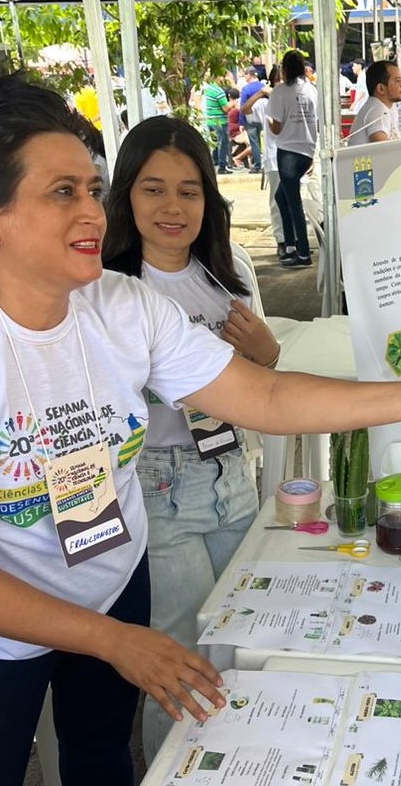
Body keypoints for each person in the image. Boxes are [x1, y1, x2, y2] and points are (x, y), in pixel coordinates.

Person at [0, 74, 401, 785]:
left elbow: (261, 395)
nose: (92, 210)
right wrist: (114, 641)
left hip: (107, 577)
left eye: (90, 186)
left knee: (99, 759)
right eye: (62, 193)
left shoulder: (122, 305)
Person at [103, 115, 280, 762]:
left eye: (189, 190)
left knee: (239, 635)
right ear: (125, 195)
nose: (172, 206)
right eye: (153, 188)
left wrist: (267, 350)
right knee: (176, 660)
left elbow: (261, 386)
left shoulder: (228, 276)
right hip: (153, 488)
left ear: (209, 199)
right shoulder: (103, 286)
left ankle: (236, 766)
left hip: (231, 474)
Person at [267, 49, 318, 269]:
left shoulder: (279, 92)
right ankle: (290, 246)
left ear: (285, 69)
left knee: (293, 201)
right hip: (306, 150)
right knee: (282, 197)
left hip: (287, 150)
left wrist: (268, 121)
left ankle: (303, 251)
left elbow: (276, 128)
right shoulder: (311, 90)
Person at [242, 67, 285, 256]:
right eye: (277, 80)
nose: (281, 84)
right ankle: (282, 239)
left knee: (296, 202)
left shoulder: (295, 99)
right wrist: (261, 92)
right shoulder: (264, 104)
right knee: (277, 201)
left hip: (295, 157)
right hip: (274, 158)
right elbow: (245, 110)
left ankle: (295, 239)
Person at [346, 61, 401, 147]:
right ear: (381, 88)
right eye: (397, 81)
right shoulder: (377, 109)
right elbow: (384, 150)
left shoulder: (388, 107)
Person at [203, 75, 232, 175]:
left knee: (215, 143)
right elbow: (225, 108)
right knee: (222, 143)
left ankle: (214, 162)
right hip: (220, 121)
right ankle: (222, 166)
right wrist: (232, 104)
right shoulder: (218, 91)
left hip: (210, 120)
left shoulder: (209, 89)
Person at [238, 67, 264, 173]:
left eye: (245, 74)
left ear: (249, 75)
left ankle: (257, 164)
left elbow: (242, 106)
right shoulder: (263, 87)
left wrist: (241, 122)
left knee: (254, 143)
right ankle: (261, 163)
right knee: (262, 141)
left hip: (250, 119)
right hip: (263, 118)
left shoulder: (246, 89)